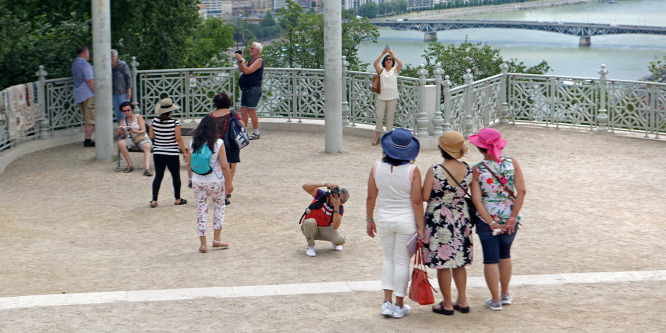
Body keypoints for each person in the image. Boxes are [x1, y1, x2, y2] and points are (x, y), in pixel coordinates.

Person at [366, 128, 424, 319]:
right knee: (402, 262)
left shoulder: (376, 167)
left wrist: (369, 219)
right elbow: (416, 202)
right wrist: (421, 227)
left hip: (384, 218)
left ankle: (386, 302)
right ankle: (399, 305)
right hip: (406, 220)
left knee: (388, 260)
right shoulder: (413, 170)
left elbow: (370, 197)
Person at [469, 128, 526, 311]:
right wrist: (512, 217)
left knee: (490, 258)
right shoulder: (512, 163)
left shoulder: (477, 170)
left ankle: (495, 300)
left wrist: (491, 221)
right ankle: (505, 293)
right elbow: (521, 191)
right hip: (510, 215)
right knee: (505, 254)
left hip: (488, 218)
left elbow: (476, 200)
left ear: (480, 149)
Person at [422, 131, 473, 315]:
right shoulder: (468, 169)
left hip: (439, 219)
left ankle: (448, 303)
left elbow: (423, 196)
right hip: (461, 217)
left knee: (443, 262)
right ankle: (463, 300)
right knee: (459, 261)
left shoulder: (435, 170)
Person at [186, 116, 234, 253]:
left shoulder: (193, 142)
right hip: (215, 181)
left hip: (197, 180)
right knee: (219, 207)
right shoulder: (218, 143)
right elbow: (224, 165)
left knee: (201, 210)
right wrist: (229, 183)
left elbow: (189, 163)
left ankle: (203, 244)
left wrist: (190, 179)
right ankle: (217, 239)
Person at [149, 97, 188, 208]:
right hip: (172, 153)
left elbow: (151, 136)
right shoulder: (175, 122)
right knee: (175, 176)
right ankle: (177, 198)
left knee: (158, 176)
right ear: (171, 110)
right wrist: (184, 152)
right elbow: (178, 138)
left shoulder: (154, 121)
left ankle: (154, 200)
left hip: (158, 152)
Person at [209, 92, 245, 205]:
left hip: (216, 143)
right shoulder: (232, 113)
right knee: (231, 168)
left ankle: (220, 191)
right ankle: (225, 192)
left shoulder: (212, 115)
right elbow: (242, 124)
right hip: (231, 142)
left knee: (219, 168)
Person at [299, 181, 349, 257]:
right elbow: (305, 187)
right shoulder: (323, 196)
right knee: (310, 222)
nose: (337, 199)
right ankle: (310, 246)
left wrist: (336, 207)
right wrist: (324, 184)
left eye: (341, 200)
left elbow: (335, 226)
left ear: (343, 203)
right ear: (333, 193)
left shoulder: (340, 208)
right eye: (337, 196)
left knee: (340, 240)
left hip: (324, 228)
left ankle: (334, 242)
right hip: (310, 227)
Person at [371, 48, 403, 146]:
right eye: (386, 60)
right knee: (379, 116)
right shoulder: (381, 70)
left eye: (390, 60)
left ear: (392, 62)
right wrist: (382, 54)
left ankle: (389, 137)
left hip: (392, 96)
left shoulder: (395, 70)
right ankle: (377, 137)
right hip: (381, 96)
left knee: (389, 117)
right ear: (384, 62)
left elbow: (400, 64)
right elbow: (375, 64)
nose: (388, 61)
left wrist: (392, 54)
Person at [235, 42, 263, 140]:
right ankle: (244, 131)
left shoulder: (259, 60)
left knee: (251, 110)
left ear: (257, 51)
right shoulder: (251, 60)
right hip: (247, 88)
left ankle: (256, 132)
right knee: (243, 110)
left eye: (252, 48)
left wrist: (241, 60)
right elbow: (242, 69)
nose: (250, 49)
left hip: (254, 89)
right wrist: (240, 60)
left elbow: (248, 70)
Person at [116, 102, 152, 176]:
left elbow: (143, 130)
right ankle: (130, 165)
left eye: (128, 110)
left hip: (141, 138)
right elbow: (117, 135)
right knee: (120, 142)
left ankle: (147, 168)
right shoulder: (122, 120)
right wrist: (120, 131)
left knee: (147, 146)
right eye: (124, 111)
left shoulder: (138, 116)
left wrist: (135, 131)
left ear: (131, 109)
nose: (126, 112)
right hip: (130, 139)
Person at [72, 46, 95, 147]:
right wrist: (96, 92)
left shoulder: (74, 64)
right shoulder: (84, 64)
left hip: (78, 94)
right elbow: (89, 80)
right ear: (84, 53)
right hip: (88, 94)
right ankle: (88, 140)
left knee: (88, 117)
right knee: (91, 118)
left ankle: (92, 138)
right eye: (88, 53)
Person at [111, 49, 132, 122]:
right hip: (113, 93)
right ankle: (121, 129)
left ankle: (127, 128)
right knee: (117, 113)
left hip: (123, 92)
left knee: (125, 112)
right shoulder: (108, 67)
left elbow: (128, 78)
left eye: (112, 56)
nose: (111, 58)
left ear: (116, 56)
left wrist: (129, 90)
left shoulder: (122, 65)